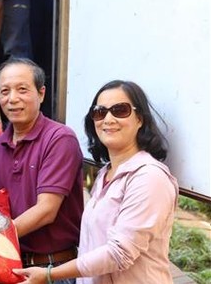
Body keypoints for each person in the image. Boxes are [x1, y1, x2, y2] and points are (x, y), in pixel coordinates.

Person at [14, 80, 178, 284]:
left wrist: (49, 274)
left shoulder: (150, 177)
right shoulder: (105, 174)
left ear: (140, 119)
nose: (108, 119)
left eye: (120, 110)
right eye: (100, 112)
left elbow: (119, 253)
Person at [0, 57, 84, 284]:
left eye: (22, 90)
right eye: (5, 91)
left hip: (52, 270)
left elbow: (47, 210)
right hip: (9, 265)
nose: (12, 99)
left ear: (41, 93)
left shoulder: (60, 139)